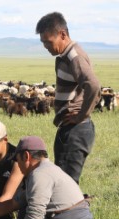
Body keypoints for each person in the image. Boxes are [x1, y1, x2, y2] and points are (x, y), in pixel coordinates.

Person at [36, 12, 101, 184]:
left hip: (76, 129)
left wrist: (81, 115)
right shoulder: (66, 56)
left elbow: (93, 84)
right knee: (65, 183)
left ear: (62, 34)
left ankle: (76, 211)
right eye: (42, 42)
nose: (45, 46)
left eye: (48, 41)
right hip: (71, 128)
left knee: (66, 185)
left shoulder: (74, 56)